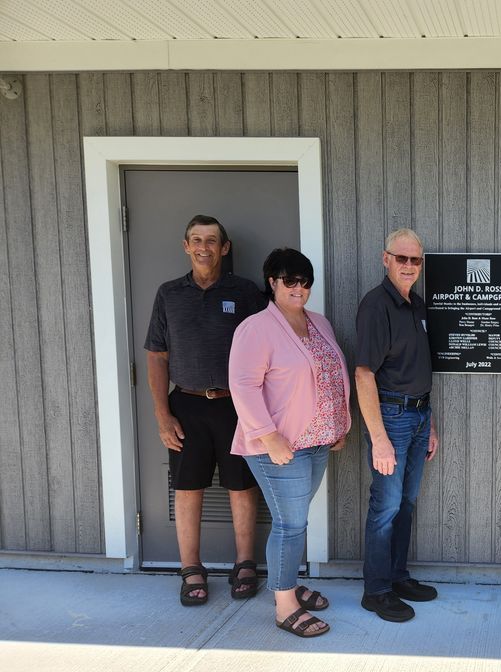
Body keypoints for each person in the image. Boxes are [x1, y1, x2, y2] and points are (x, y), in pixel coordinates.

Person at [144, 215, 266, 606]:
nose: (203, 247)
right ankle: (191, 568)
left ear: (224, 248)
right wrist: (162, 415)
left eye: (211, 240)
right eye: (196, 240)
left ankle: (244, 564)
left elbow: (267, 345)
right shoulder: (169, 294)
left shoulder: (245, 292)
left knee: (242, 485)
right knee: (187, 487)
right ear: (186, 246)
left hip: (236, 406)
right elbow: (157, 356)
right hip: (185, 405)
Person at [229, 248, 351, 638]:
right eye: (290, 281)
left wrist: (338, 424)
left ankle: (288, 584)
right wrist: (269, 437)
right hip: (280, 446)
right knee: (290, 524)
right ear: (273, 282)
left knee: (296, 522)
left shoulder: (318, 322)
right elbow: (243, 386)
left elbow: (330, 376)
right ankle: (285, 606)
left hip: (318, 443)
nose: (299, 288)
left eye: (305, 281)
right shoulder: (256, 328)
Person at [355, 228, 439, 623]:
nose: (408, 265)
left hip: (418, 416)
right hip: (391, 418)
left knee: (405, 502)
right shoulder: (377, 306)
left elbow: (418, 369)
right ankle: (376, 591)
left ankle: (397, 576)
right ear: (385, 258)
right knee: (386, 506)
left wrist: (430, 422)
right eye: (401, 258)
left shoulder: (416, 305)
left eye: (415, 260)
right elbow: (364, 374)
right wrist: (379, 439)